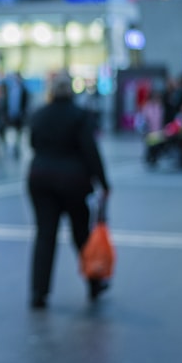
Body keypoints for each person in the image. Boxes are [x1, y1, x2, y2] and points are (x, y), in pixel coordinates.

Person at [27, 71, 111, 310]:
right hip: (73, 181)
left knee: (45, 235)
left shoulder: (40, 114)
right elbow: (90, 151)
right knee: (81, 234)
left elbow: (32, 142)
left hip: (40, 179)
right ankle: (94, 283)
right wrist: (103, 183)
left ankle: (38, 292)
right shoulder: (80, 116)